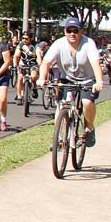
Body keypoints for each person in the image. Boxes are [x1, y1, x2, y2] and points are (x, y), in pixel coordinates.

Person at [37, 17, 103, 146]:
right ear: (65, 31)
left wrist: (99, 81)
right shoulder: (59, 44)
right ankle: (59, 138)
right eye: (69, 30)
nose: (72, 34)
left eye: (75, 31)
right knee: (62, 104)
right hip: (67, 78)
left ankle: (89, 127)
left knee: (86, 102)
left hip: (88, 79)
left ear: (81, 31)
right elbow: (46, 62)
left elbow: (96, 64)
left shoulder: (88, 44)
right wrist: (41, 78)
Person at [13, 31, 40, 102]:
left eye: (26, 38)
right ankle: (19, 96)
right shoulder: (21, 45)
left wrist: (40, 64)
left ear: (30, 39)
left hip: (33, 64)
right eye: (23, 38)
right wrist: (15, 64)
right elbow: (16, 55)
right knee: (20, 78)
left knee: (33, 77)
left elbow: (39, 56)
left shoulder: (35, 45)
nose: (24, 40)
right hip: (23, 64)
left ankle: (34, 87)